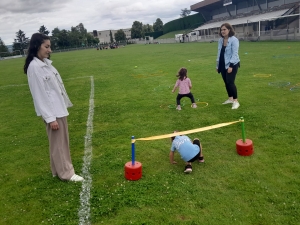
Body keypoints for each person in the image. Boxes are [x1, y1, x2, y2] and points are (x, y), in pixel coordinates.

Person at [23, 33, 84, 182]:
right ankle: (67, 174)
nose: (50, 50)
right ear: (37, 46)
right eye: (47, 46)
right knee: (59, 145)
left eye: (50, 46)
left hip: (58, 109)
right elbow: (39, 95)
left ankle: (57, 170)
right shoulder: (34, 67)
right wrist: (50, 118)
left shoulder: (44, 64)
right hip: (53, 112)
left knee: (59, 143)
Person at [216, 23, 241, 109]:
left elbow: (235, 54)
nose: (222, 31)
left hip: (232, 64)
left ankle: (236, 101)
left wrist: (231, 66)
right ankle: (230, 99)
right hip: (223, 64)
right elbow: (219, 53)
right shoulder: (220, 40)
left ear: (229, 30)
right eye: (221, 30)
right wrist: (217, 65)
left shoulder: (234, 40)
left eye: (224, 29)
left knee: (230, 82)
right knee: (226, 82)